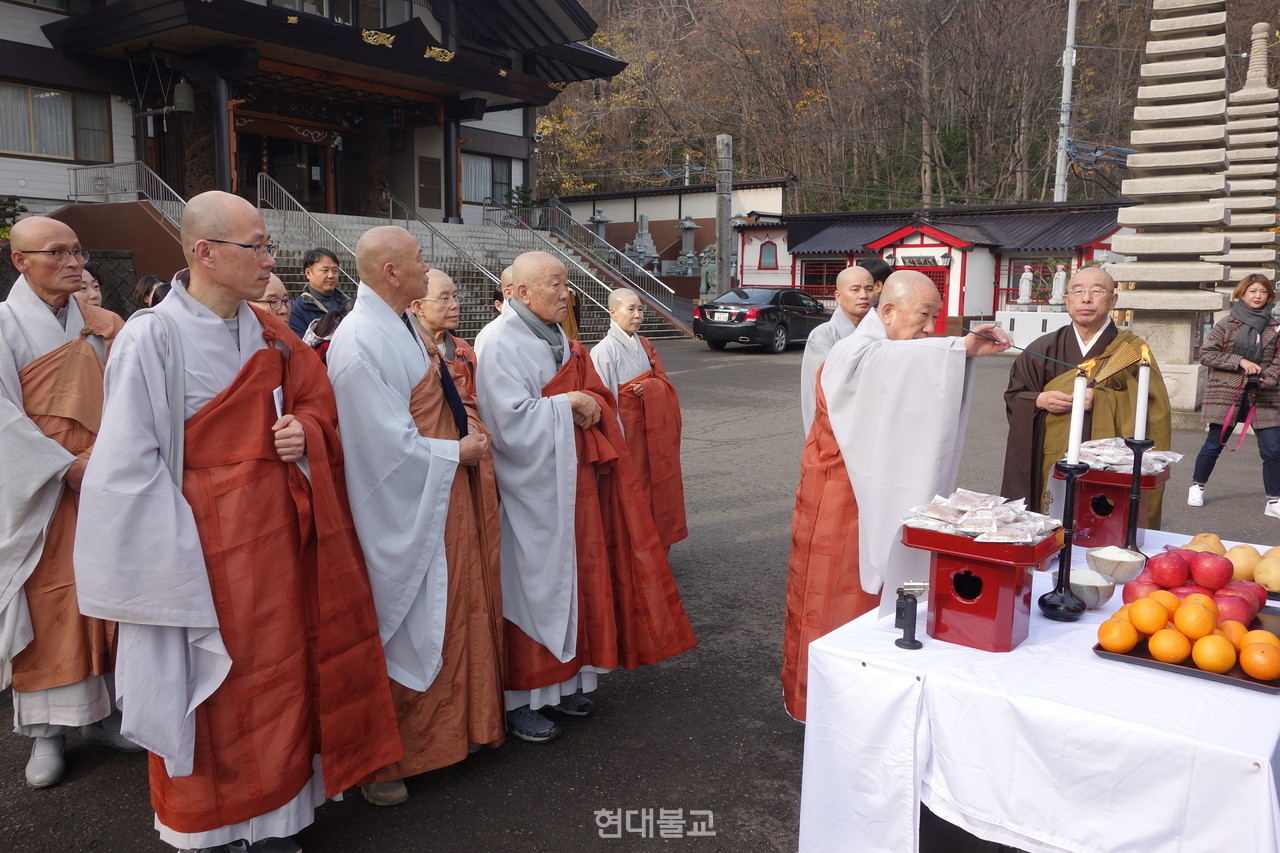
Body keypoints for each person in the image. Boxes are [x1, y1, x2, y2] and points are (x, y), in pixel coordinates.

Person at [73, 191, 401, 853]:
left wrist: (303, 430)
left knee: (281, 673)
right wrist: (166, 560)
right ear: (205, 252)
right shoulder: (151, 336)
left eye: (267, 247)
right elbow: (126, 465)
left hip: (277, 537)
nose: (269, 260)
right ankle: (209, 828)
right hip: (194, 545)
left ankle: (277, 817)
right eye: (256, 247)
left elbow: (317, 402)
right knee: (209, 685)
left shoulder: (270, 330)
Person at [475, 251, 696, 744]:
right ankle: (522, 699)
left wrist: (586, 400)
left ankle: (566, 684)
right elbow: (506, 423)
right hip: (529, 492)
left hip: (572, 482)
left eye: (566, 283)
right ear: (522, 292)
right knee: (532, 591)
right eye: (555, 284)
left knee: (573, 586)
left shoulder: (560, 337)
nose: (567, 292)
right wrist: (569, 403)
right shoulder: (499, 341)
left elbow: (598, 396)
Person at [781, 271, 1011, 721]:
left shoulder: (889, 350)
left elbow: (908, 376)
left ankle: (876, 708)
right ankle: (826, 705)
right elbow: (895, 364)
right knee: (835, 596)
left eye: (935, 317)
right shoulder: (853, 351)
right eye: (924, 316)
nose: (930, 328)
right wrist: (959, 348)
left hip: (872, 487)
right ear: (887, 312)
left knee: (881, 596)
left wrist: (957, 350)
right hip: (840, 495)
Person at [327, 229, 502, 807]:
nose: (429, 269)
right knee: (410, 619)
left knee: (456, 606)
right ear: (391, 273)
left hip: (440, 491)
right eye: (420, 261)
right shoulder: (359, 338)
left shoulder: (400, 323)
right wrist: (455, 451)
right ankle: (391, 759)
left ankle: (456, 734)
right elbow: (379, 446)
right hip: (407, 501)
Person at [0, 216, 134, 789]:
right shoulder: (4, 326)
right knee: (49, 601)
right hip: (43, 490)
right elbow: (3, 420)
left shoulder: (100, 322)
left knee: (110, 593)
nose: (74, 262)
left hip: (106, 477)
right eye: (57, 252)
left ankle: (106, 717)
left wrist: (112, 461)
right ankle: (47, 734)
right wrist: (65, 468)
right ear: (21, 261)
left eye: (78, 251)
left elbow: (129, 394)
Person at [1001, 266, 1171, 525]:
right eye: (1078, 291)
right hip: (1051, 452)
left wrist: (1103, 400)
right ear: (1066, 299)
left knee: (1103, 525)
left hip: (1111, 459)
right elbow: (1015, 396)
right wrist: (1039, 400)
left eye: (1097, 291)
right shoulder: (1042, 348)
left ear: (1113, 300)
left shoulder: (1132, 351)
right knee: (1052, 518)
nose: (1086, 299)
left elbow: (1154, 407)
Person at [589, 288, 687, 549]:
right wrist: (616, 443)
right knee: (631, 493)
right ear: (612, 312)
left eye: (640, 309)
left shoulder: (643, 344)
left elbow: (661, 382)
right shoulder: (604, 351)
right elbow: (606, 402)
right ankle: (630, 553)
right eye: (630, 309)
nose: (637, 315)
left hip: (650, 430)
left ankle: (654, 548)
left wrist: (651, 388)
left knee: (653, 489)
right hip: (625, 435)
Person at [1189, 273, 1280, 516]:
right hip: (1226, 392)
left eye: (1263, 291)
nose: (1258, 296)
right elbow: (1207, 354)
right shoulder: (1227, 324)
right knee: (1214, 445)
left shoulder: (1274, 327)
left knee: (1273, 449)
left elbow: (1279, 361)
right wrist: (1239, 361)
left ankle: (1274, 501)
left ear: (1269, 295)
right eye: (1253, 291)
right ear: (1242, 293)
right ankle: (1197, 486)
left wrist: (1267, 380)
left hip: (1264, 394)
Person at [800, 266, 875, 432]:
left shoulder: (880, 333)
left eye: (869, 289)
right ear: (838, 297)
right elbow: (831, 386)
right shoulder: (823, 335)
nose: (864, 295)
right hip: (832, 428)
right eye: (855, 289)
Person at [287, 247, 351, 337]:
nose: (331, 275)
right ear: (308, 273)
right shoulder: (298, 309)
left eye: (335, 271)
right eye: (325, 270)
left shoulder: (349, 305)